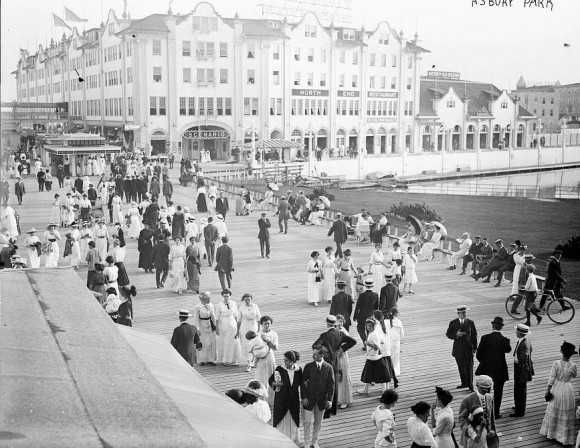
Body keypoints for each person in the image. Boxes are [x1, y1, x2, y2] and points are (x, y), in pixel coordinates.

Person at [312, 315, 356, 415]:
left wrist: (325, 352)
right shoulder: (340, 333)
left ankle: (326, 407)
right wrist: (342, 349)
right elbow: (353, 341)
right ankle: (334, 407)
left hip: (327, 361)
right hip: (337, 360)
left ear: (327, 323)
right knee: (335, 382)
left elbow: (315, 345)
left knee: (327, 382)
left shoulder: (324, 335)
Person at [540, 341, 578, 445]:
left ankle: (552, 433)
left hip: (557, 388)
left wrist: (548, 390)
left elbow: (552, 378)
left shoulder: (556, 363)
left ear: (562, 352)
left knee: (555, 409)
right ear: (571, 355)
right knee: (565, 410)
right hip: (567, 389)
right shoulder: (573, 366)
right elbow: (574, 376)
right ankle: (563, 436)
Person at [475, 316, 512, 418]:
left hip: (486, 369)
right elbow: (508, 350)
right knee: (498, 391)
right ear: (501, 327)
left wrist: (485, 363)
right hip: (500, 370)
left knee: (485, 392)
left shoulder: (485, 338)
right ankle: (496, 412)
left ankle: (486, 412)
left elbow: (478, 355)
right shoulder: (505, 340)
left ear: (492, 326)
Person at [301, 346, 335, 448]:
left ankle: (314, 442)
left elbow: (331, 385)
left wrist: (329, 400)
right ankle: (306, 442)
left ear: (322, 355)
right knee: (307, 422)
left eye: (315, 354)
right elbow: (303, 383)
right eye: (313, 353)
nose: (313, 355)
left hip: (321, 400)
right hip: (309, 399)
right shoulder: (308, 366)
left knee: (318, 423)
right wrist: (304, 397)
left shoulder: (329, 368)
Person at [269, 350, 303, 444]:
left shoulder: (299, 370)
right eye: (284, 360)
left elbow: (302, 383)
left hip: (293, 399)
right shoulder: (279, 369)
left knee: (293, 418)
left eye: (287, 360)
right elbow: (271, 380)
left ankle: (292, 439)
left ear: (293, 361)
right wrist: (275, 383)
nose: (285, 362)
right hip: (281, 399)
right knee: (280, 418)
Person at [445, 305, 478, 391]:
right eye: (463, 313)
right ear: (458, 313)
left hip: (468, 348)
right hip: (458, 349)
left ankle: (470, 386)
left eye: (465, 312)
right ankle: (464, 383)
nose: (465, 314)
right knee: (461, 367)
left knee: (469, 367)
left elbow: (474, 335)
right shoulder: (453, 323)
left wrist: (475, 348)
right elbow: (448, 334)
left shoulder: (470, 322)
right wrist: (456, 335)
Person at [458, 375, 496, 447]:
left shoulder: (490, 397)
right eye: (482, 388)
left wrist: (492, 430)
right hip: (472, 435)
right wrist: (471, 432)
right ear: (477, 386)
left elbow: (491, 416)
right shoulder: (467, 399)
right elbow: (462, 419)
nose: (485, 390)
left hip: (487, 434)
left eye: (487, 388)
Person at [357, 317, 391, 395]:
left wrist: (368, 344)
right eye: (367, 326)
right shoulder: (374, 333)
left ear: (373, 325)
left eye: (370, 326)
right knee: (368, 374)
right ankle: (366, 389)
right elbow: (382, 341)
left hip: (375, 358)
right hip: (372, 357)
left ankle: (384, 392)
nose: (368, 328)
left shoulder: (374, 334)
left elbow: (377, 347)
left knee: (382, 376)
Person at [254, 316, 278, 407]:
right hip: (260, 357)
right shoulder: (257, 334)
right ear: (261, 324)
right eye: (265, 323)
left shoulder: (274, 334)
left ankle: (270, 400)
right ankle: (261, 400)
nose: (267, 325)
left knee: (270, 377)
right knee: (260, 378)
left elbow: (275, 347)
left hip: (269, 356)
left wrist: (268, 341)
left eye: (268, 323)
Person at [511, 323, 534, 417]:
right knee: (519, 389)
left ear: (519, 333)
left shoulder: (523, 344)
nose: (515, 332)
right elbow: (530, 350)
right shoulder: (525, 341)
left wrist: (517, 361)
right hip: (522, 370)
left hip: (521, 371)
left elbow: (524, 357)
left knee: (520, 390)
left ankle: (520, 411)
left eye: (517, 331)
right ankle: (518, 406)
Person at [215, 289, 241, 366]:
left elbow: (236, 315)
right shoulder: (219, 305)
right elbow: (217, 317)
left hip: (232, 324)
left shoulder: (233, 303)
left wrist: (237, 326)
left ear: (230, 296)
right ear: (222, 296)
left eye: (227, 296)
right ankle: (226, 360)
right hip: (224, 325)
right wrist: (217, 328)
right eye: (225, 296)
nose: (226, 297)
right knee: (226, 342)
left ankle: (233, 360)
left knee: (233, 342)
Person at [237, 293, 262, 371]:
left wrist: (259, 328)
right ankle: (249, 363)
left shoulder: (255, 306)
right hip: (244, 326)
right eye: (246, 299)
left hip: (253, 326)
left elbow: (259, 318)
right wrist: (237, 331)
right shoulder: (241, 307)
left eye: (249, 299)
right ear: (243, 300)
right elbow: (239, 320)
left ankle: (254, 360)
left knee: (254, 343)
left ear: (251, 299)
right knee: (246, 345)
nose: (247, 301)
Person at [334, 314, 354, 410]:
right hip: (336, 357)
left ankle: (346, 399)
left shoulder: (343, 332)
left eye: (341, 321)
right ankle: (339, 398)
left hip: (342, 356)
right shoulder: (334, 331)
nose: (340, 323)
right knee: (339, 378)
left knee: (344, 377)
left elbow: (351, 342)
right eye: (338, 321)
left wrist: (342, 349)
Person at [192, 291, 217, 366]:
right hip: (202, 324)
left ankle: (211, 359)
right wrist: (197, 329)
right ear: (203, 299)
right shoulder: (198, 308)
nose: (209, 300)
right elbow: (196, 319)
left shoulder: (211, 305)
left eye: (209, 298)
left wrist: (215, 325)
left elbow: (213, 316)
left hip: (210, 323)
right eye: (208, 298)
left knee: (211, 341)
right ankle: (202, 360)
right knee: (204, 341)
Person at [353, 278, 379, 346]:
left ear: (365, 286)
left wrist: (355, 315)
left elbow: (357, 306)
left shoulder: (362, 295)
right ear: (372, 286)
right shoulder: (375, 295)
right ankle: (368, 342)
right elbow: (376, 307)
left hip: (361, 315)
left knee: (360, 329)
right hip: (370, 315)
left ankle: (365, 341)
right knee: (369, 330)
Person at [387, 308, 404, 376]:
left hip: (388, 342)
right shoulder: (399, 322)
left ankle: (388, 371)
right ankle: (394, 372)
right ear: (396, 314)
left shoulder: (387, 322)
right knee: (395, 358)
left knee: (388, 357)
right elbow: (402, 335)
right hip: (396, 342)